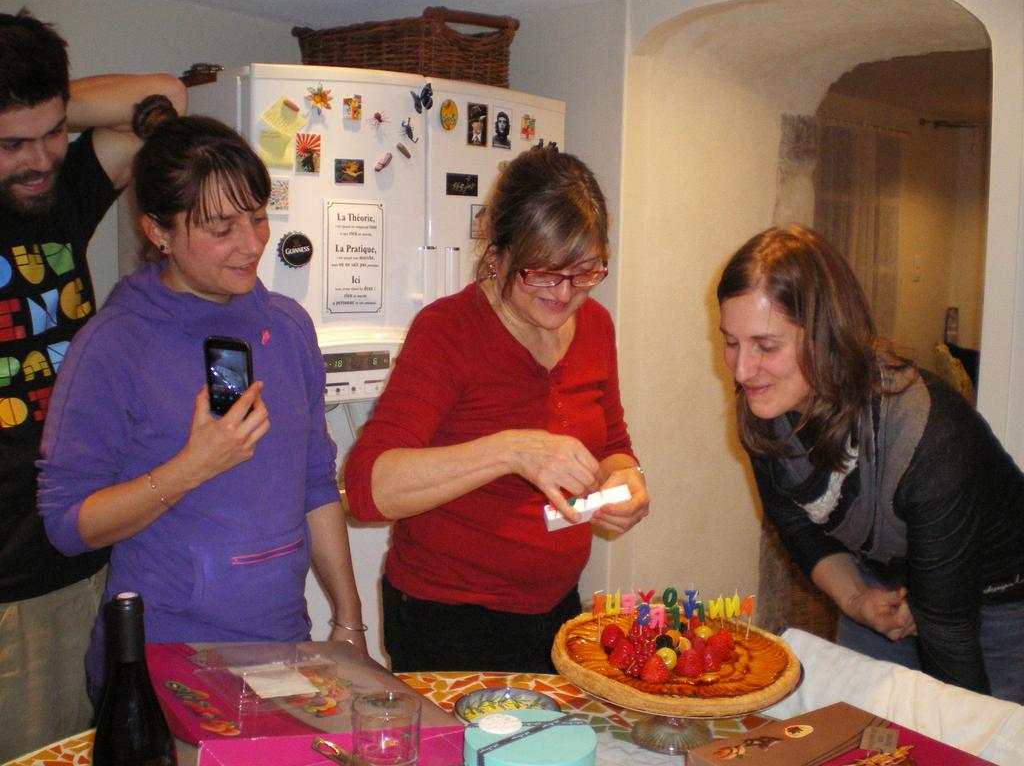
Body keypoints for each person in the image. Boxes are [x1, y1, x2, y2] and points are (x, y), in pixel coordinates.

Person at [38, 115, 366, 702]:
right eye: (221, 228)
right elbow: (68, 525)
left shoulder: (288, 326)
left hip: (282, 649)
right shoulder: (114, 343)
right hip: (162, 661)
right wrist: (192, 468)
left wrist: (349, 622)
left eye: (258, 217)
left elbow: (316, 483)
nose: (252, 244)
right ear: (158, 232)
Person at [345, 145, 649, 673]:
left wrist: (626, 480)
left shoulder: (596, 326)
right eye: (544, 274)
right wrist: (510, 451)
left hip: (555, 608)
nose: (565, 294)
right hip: (449, 619)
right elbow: (368, 491)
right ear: (498, 250)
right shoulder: (449, 331)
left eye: (584, 272)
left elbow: (614, 445)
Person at [716, 224, 1024, 703]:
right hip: (893, 585)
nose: (742, 370)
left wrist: (964, 731)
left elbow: (948, 633)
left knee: (981, 729)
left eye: (766, 346)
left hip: (999, 603)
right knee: (856, 726)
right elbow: (797, 526)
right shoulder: (766, 413)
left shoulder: (927, 435)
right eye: (731, 342)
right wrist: (856, 599)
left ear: (826, 335)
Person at [0, 10, 185, 759]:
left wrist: (44, 107)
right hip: (12, 584)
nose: (39, 159)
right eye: (12, 144)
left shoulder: (59, 193)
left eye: (52, 132)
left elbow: (165, 97)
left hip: (90, 553)